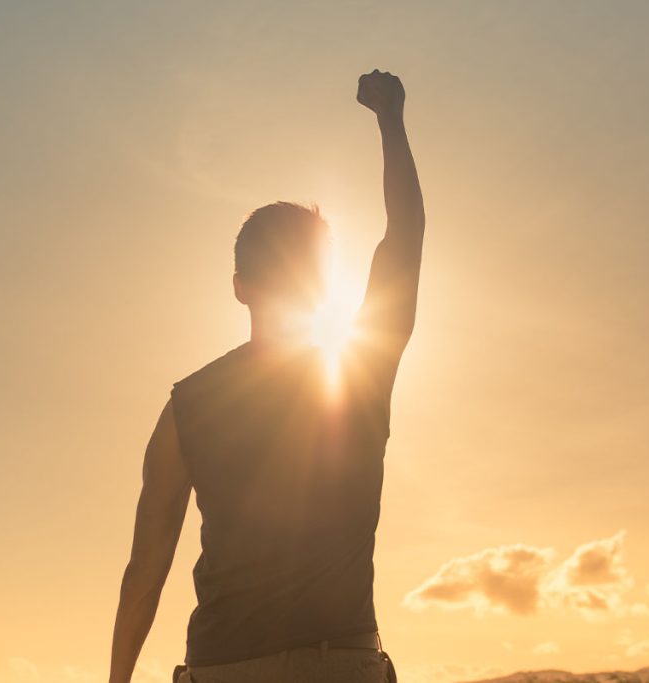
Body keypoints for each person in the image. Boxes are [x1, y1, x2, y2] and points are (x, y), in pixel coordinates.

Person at [108, 69, 424, 683]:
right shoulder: (361, 371)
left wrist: (118, 679)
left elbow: (145, 570)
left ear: (239, 288)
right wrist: (392, 121)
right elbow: (404, 237)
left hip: (224, 668)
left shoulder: (185, 407)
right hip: (342, 664)